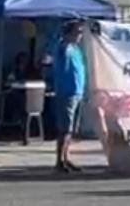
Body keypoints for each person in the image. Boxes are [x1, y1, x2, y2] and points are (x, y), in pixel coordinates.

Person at [52, 20, 87, 174]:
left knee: (71, 129)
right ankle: (59, 160)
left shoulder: (76, 49)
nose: (80, 35)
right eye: (77, 32)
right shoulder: (63, 47)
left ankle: (66, 157)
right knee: (65, 128)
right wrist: (66, 34)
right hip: (66, 92)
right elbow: (61, 47)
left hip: (77, 91)